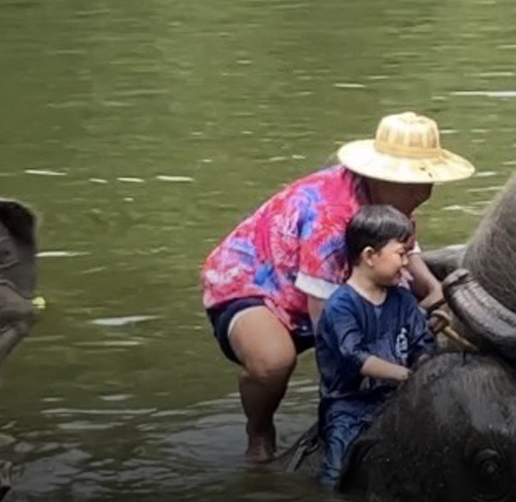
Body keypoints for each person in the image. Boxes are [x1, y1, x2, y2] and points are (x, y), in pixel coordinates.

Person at [199, 112, 475, 464]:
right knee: (273, 363)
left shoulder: (390, 200)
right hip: (253, 282)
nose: (422, 193)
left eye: (427, 181)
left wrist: (433, 290)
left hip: (334, 279)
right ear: (380, 176)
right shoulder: (328, 217)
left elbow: (403, 245)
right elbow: (328, 328)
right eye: (411, 184)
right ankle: (259, 431)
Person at [313, 204, 437, 488]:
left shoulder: (403, 301)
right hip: (350, 405)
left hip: (399, 397)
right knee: (337, 472)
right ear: (369, 256)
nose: (406, 263)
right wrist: (407, 376)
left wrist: (425, 365)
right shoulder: (340, 307)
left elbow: (422, 344)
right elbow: (355, 357)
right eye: (401, 254)